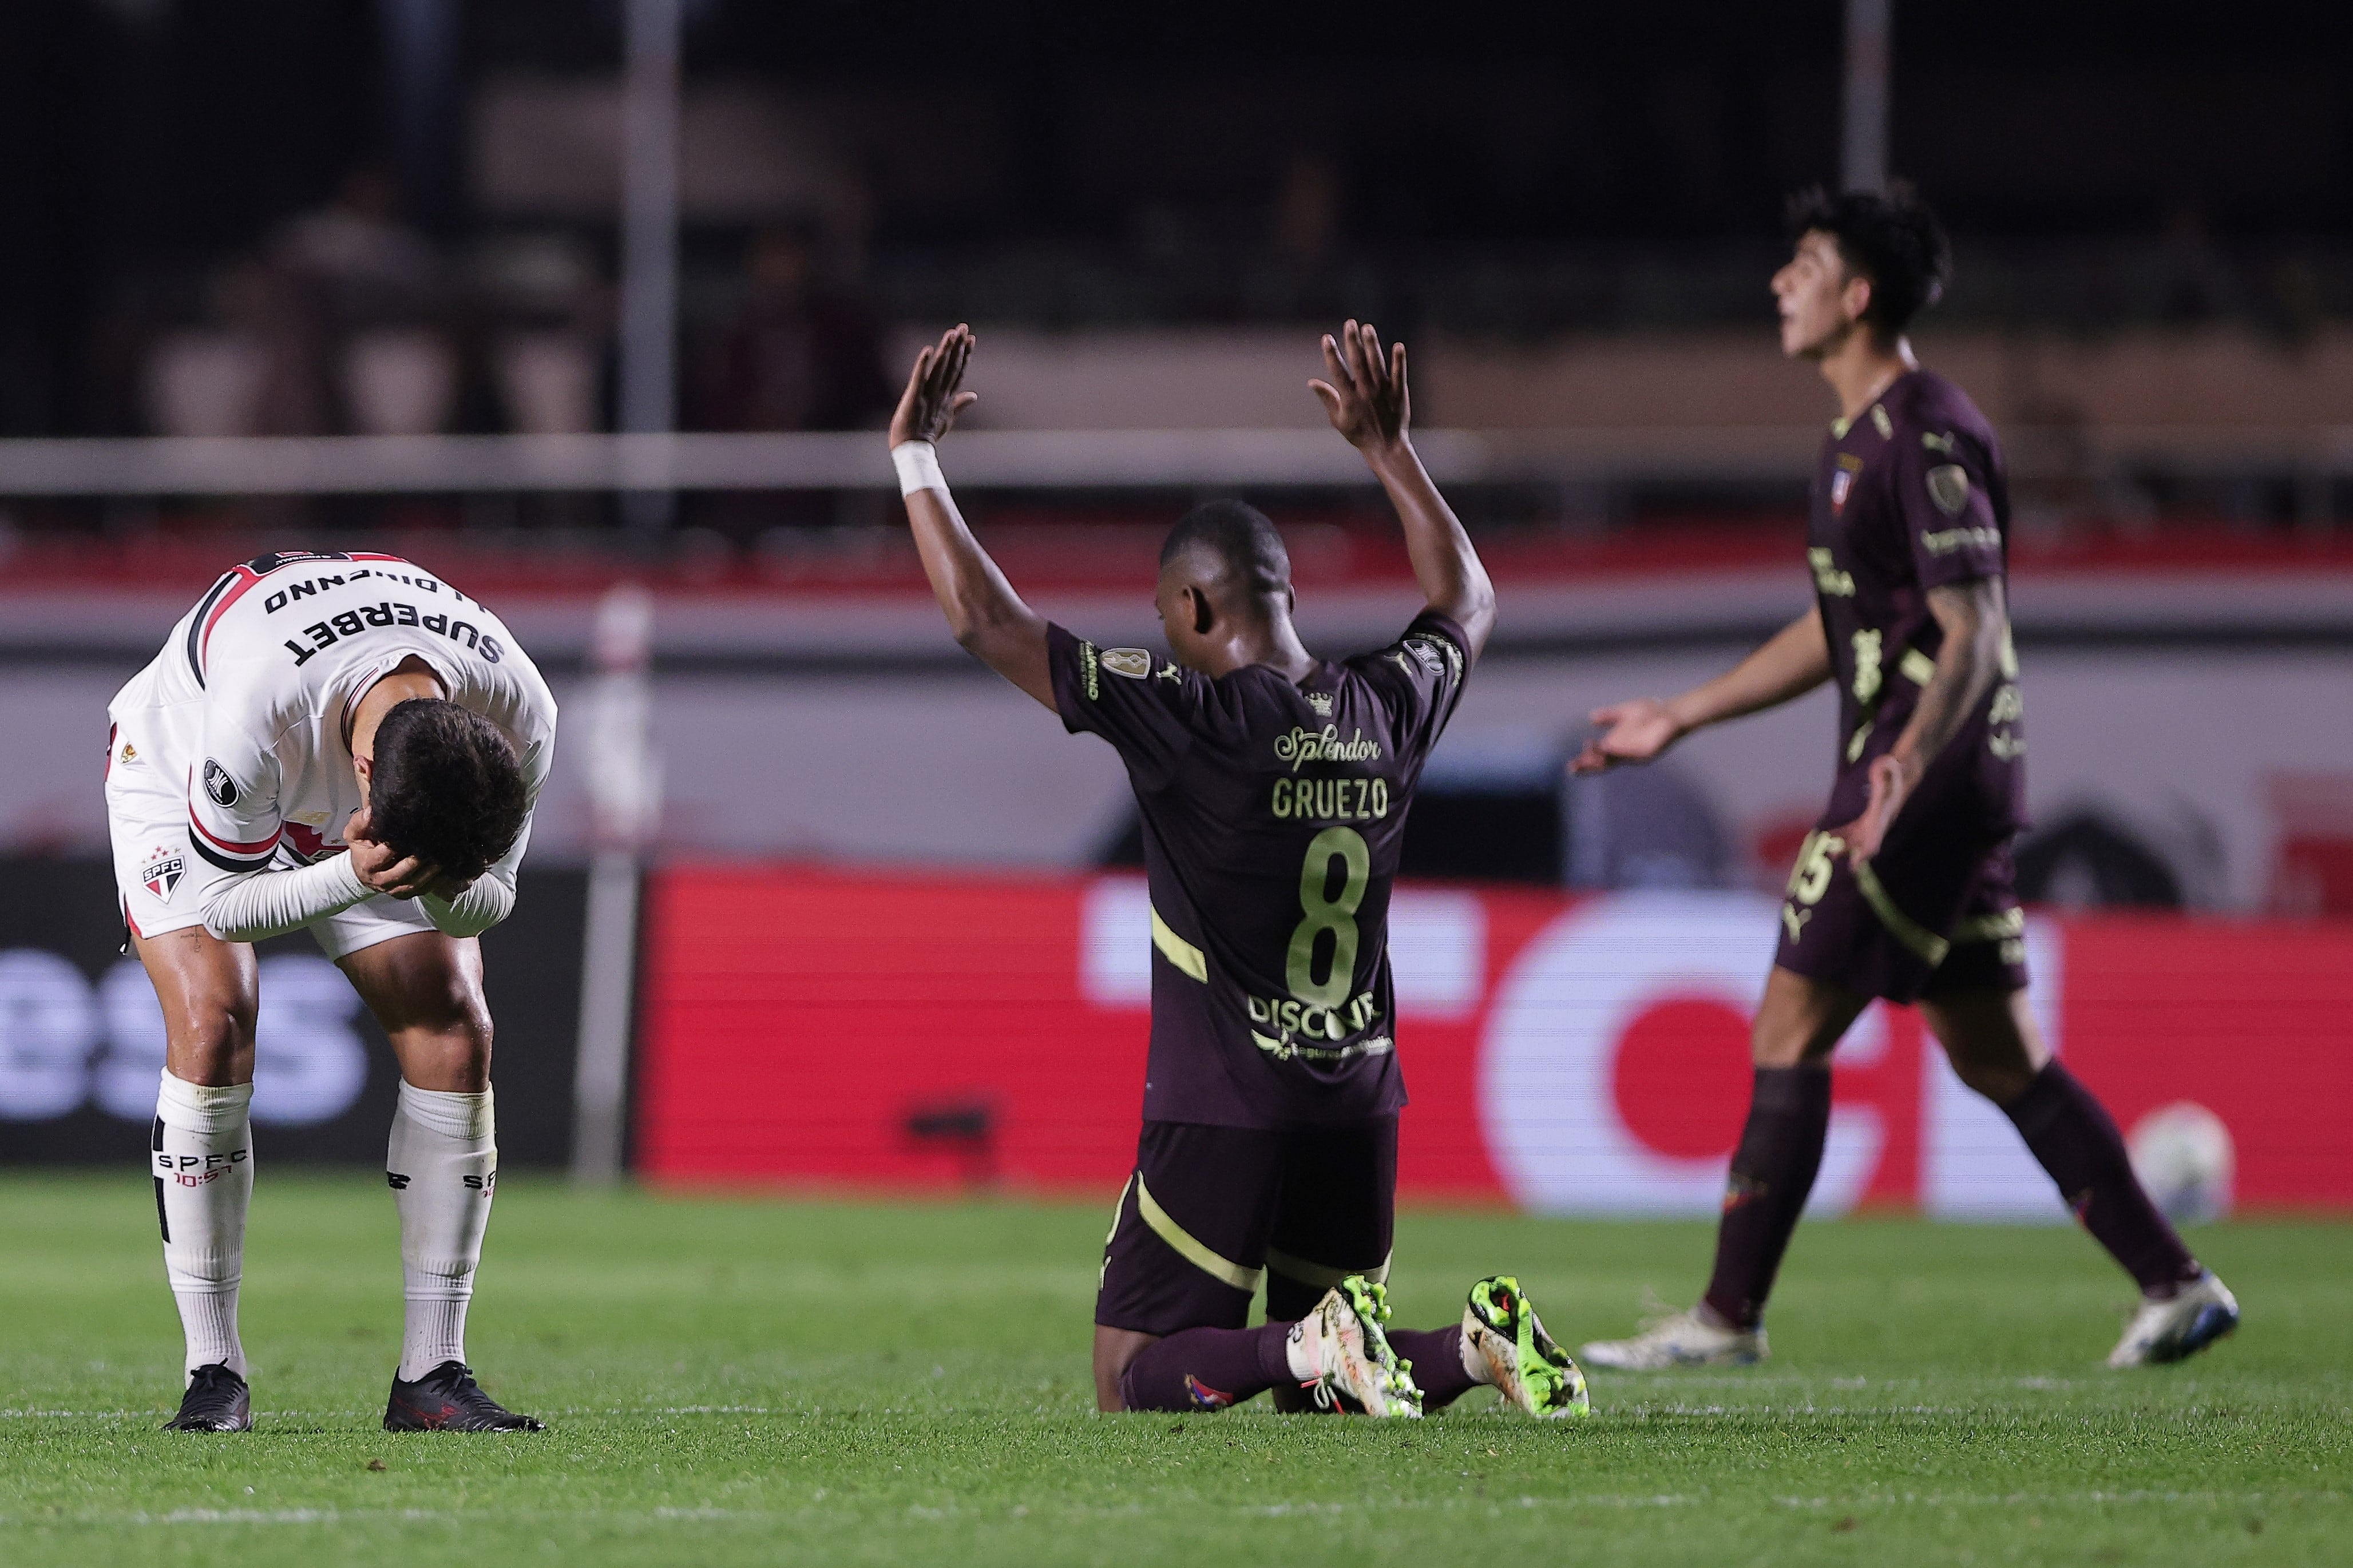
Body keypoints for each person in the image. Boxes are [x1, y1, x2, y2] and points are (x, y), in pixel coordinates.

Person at [1571, 188, 2239, 1372]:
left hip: (1919, 788)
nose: (1782, 282)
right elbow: (1837, 633)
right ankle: (2175, 1282)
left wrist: (1897, 772)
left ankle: (1726, 1319)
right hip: (1927, 783)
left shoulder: (1923, 429)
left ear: (1856, 294)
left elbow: (1972, 626)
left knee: (1788, 1020)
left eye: (1804, 264)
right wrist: (1678, 714)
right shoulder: (1847, 443)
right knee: (1995, 1055)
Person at [886, 320, 1587, 1419]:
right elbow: (1472, 600)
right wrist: (1392, 452)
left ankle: (1326, 1349)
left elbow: (986, 619)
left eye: (1169, 619)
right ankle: (1475, 1342)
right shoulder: (1385, 703)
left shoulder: (1193, 716)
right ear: (1289, 600)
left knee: (1131, 1377)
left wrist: (915, 457)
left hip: (1227, 1103)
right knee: (1327, 1378)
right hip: (1360, 1094)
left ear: (1199, 609)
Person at [107, 550, 557, 1431]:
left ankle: (433, 1371)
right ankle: (213, 1371)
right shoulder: (258, 710)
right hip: (184, 763)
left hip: (345, 787)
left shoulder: (522, 711)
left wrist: (426, 879)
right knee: (214, 1016)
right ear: (361, 781)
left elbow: (486, 903)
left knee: (455, 1024)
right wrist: (354, 871)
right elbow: (225, 907)